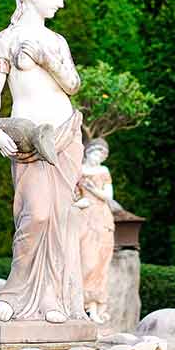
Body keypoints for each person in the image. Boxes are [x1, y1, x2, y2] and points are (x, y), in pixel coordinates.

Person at [0, 0, 86, 325]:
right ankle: (14, 292)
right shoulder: (4, 40)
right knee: (35, 215)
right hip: (30, 140)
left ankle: (50, 298)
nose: (60, 4)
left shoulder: (57, 41)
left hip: (66, 135)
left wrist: (46, 59)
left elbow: (72, 84)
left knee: (59, 219)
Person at [77, 138, 116, 324]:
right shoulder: (79, 170)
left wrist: (93, 190)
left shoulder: (103, 171)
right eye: (96, 152)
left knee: (100, 263)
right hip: (84, 217)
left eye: (102, 154)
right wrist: (76, 203)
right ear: (88, 151)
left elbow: (109, 196)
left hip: (102, 218)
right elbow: (71, 194)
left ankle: (94, 307)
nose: (99, 157)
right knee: (86, 260)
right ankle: (80, 304)